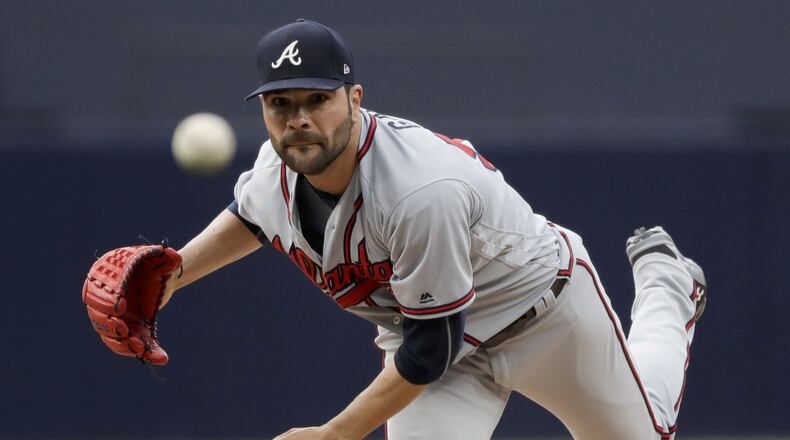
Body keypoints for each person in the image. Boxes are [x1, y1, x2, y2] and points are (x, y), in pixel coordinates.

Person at [159, 19, 707, 440]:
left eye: (318, 99)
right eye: (280, 103)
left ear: (355, 99)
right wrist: (173, 275)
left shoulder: (419, 190)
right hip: (439, 350)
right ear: (262, 109)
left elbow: (429, 348)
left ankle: (668, 286)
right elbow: (252, 216)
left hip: (544, 314)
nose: (298, 118)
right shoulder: (274, 169)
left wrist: (336, 433)